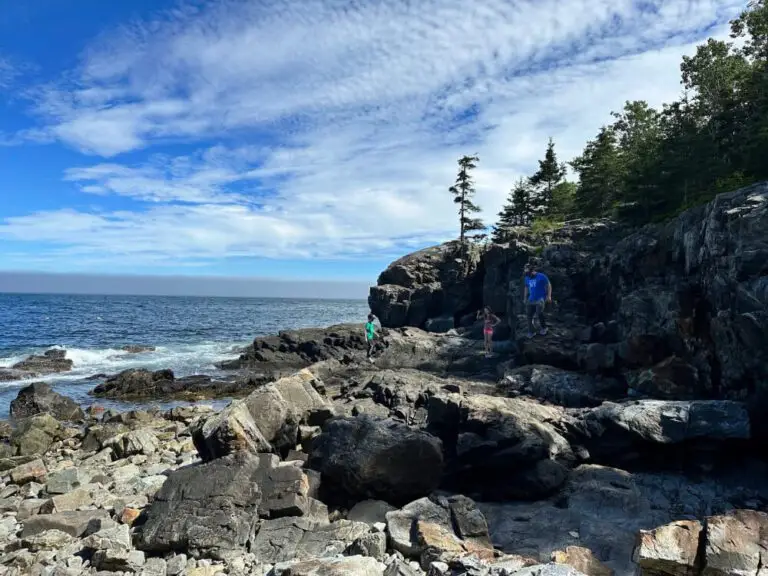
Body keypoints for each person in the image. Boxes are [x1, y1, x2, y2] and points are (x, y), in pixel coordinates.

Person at [523, 264, 552, 338]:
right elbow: (526, 287)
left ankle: (544, 328)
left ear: (532, 271)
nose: (527, 275)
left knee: (539, 312)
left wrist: (549, 296)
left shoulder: (541, 276)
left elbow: (548, 285)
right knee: (529, 315)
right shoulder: (526, 277)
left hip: (540, 298)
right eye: (526, 273)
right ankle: (531, 332)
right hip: (531, 299)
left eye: (528, 273)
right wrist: (525, 298)